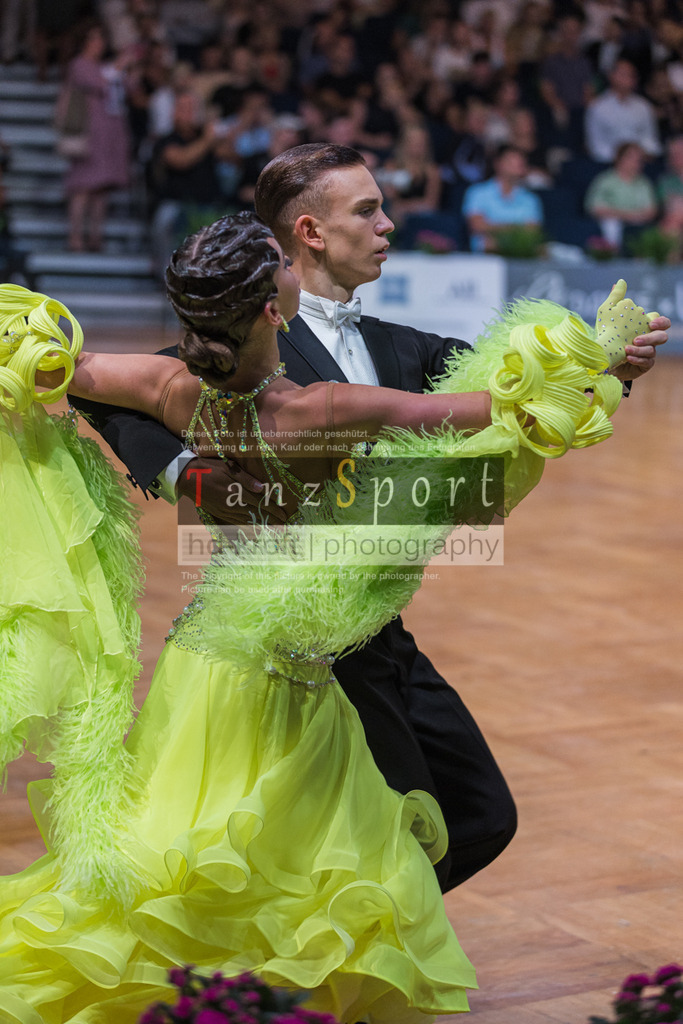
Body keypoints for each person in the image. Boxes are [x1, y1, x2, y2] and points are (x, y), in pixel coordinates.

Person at [0, 214, 666, 1022]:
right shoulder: (324, 408)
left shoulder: (164, 387)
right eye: (282, 264)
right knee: (302, 866)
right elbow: (495, 411)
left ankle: (211, 999)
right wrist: (597, 355)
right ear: (274, 311)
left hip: (203, 668)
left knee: (186, 855)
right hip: (293, 682)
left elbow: (60, 370)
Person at [61, 21, 132, 253]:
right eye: (93, 39)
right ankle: (75, 236)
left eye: (101, 39)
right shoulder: (80, 65)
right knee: (83, 186)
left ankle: (95, 236)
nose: (98, 44)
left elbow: (128, 88)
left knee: (102, 188)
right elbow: (99, 83)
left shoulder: (106, 65)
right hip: (90, 134)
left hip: (111, 134)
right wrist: (120, 65)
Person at [462, 144, 544, 252]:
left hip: (521, 255)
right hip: (485, 257)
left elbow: (533, 231)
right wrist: (518, 230)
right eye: (511, 161)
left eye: (520, 162)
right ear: (497, 164)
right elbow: (477, 226)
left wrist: (494, 231)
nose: (516, 165)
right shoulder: (477, 192)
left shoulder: (531, 199)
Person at [584, 58, 661, 164]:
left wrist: (644, 153)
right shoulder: (597, 107)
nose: (629, 78)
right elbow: (595, 144)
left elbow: (650, 138)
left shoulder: (644, 106)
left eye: (632, 75)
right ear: (611, 76)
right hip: (608, 163)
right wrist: (621, 159)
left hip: (641, 163)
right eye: (624, 74)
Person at [584, 141, 658, 251]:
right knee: (611, 223)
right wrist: (627, 215)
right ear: (620, 158)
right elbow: (595, 208)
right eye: (632, 158)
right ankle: (611, 255)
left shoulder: (644, 183)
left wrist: (634, 217)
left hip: (637, 222)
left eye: (639, 160)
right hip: (612, 222)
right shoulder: (605, 180)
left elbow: (651, 211)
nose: (636, 163)